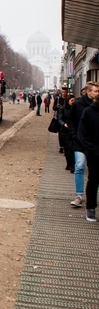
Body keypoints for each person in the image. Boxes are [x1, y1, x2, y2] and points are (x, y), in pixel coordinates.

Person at [68, 82, 99, 208]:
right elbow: (71, 121)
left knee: (94, 173)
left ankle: (92, 198)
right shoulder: (78, 104)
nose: (98, 93)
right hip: (80, 142)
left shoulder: (97, 105)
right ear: (88, 92)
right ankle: (79, 196)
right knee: (80, 166)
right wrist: (75, 135)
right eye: (96, 91)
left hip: (95, 144)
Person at [77, 90, 99, 222]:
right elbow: (83, 134)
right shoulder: (89, 112)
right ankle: (90, 207)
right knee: (94, 180)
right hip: (94, 154)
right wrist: (91, 150)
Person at [57, 93, 76, 171]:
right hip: (65, 131)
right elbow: (59, 119)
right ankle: (69, 163)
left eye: (74, 100)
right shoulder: (63, 109)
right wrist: (64, 124)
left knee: (73, 148)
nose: (73, 102)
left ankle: (73, 165)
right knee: (67, 148)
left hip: (74, 130)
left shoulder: (76, 108)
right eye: (71, 100)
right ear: (68, 101)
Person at [54, 88, 69, 153]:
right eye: (63, 92)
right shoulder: (58, 99)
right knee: (61, 133)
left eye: (65, 92)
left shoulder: (68, 99)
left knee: (67, 133)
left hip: (67, 118)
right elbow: (54, 108)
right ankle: (61, 146)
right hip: (59, 118)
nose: (64, 93)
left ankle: (66, 146)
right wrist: (57, 107)